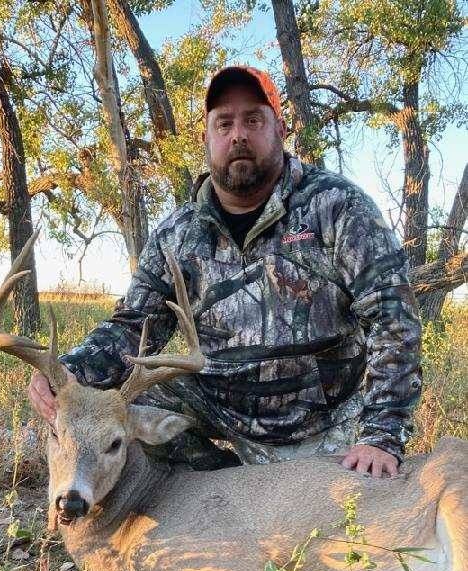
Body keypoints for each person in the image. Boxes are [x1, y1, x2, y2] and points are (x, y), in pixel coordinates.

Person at [29, 66, 422, 478]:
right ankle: (224, 484)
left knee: (347, 508)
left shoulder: (337, 206)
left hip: (321, 424)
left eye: (253, 120)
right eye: (224, 123)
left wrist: (381, 435)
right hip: (219, 409)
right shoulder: (177, 233)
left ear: (280, 130)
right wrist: (70, 369)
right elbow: (133, 326)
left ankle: (266, 485)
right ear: (206, 137)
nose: (238, 135)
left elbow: (392, 319)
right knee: (116, 410)